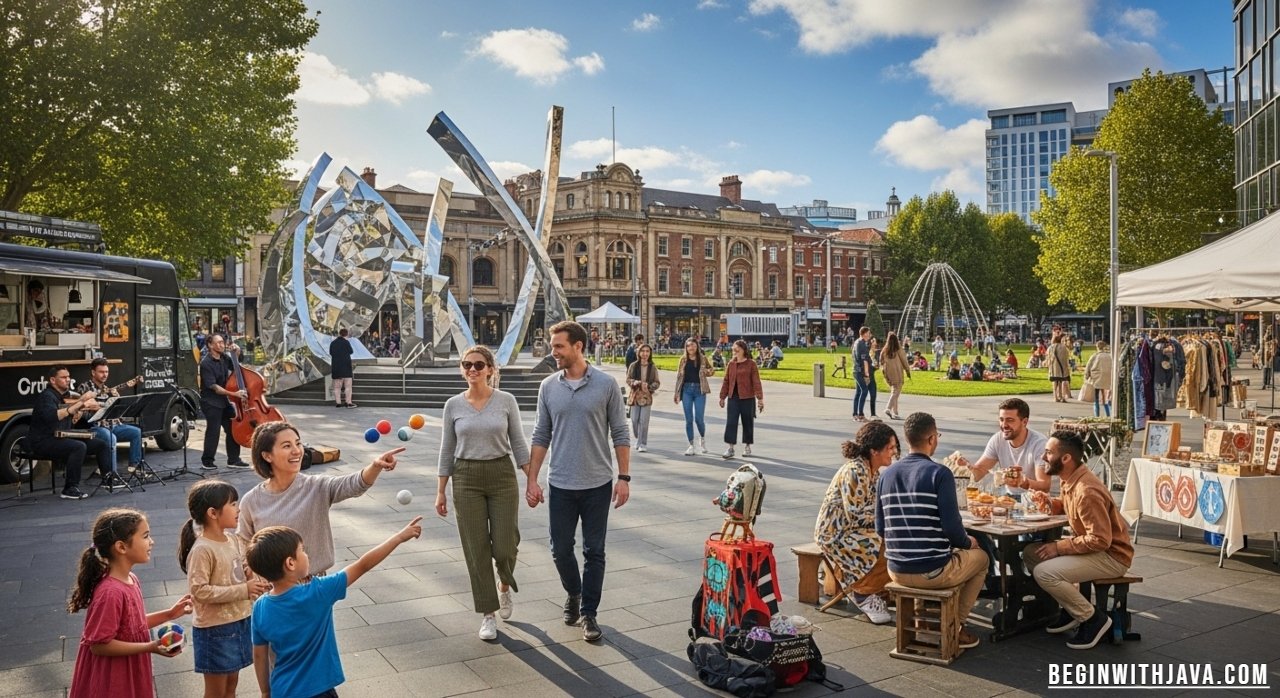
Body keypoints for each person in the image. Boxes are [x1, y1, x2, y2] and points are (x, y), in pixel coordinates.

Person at [525, 320, 630, 643]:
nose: (552, 351)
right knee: (559, 549)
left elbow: (620, 432)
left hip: (598, 483)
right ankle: (574, 592)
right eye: (552, 345)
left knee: (594, 551)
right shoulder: (549, 387)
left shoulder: (606, 384)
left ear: (578, 347)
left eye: (558, 346)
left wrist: (624, 477)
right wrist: (532, 479)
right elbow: (541, 434)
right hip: (561, 483)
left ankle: (589, 612)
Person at [248, 517, 422, 698]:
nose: (307, 555)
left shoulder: (260, 607)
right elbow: (362, 565)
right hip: (319, 691)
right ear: (290, 563)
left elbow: (260, 655)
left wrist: (265, 691)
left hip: (282, 690)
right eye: (303, 551)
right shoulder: (319, 591)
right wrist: (398, 538)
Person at [435, 346, 531, 641]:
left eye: (478, 365)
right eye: (467, 365)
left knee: (505, 544)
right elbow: (446, 449)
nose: (472, 370)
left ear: (490, 369)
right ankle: (488, 614)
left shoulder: (506, 401)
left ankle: (504, 585)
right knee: (476, 549)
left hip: (501, 474)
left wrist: (534, 480)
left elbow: (518, 442)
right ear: (462, 369)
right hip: (465, 479)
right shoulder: (452, 405)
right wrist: (441, 491)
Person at [875, 412, 988, 651]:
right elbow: (952, 529)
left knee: (923, 551)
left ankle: (924, 621)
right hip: (933, 571)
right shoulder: (940, 473)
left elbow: (880, 528)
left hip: (895, 569)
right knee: (982, 559)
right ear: (932, 439)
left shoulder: (886, 476)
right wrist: (969, 543)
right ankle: (956, 626)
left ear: (906, 440)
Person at [237, 422, 404, 577]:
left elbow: (354, 484)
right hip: (271, 592)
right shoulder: (251, 500)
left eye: (298, 443)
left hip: (314, 587)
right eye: (287, 446)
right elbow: (243, 543)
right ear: (267, 456)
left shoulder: (316, 486)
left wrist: (375, 466)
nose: (297, 451)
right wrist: (250, 574)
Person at [1023, 431, 1133, 650]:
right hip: (1098, 550)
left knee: (1045, 572)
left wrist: (1059, 547)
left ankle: (1093, 619)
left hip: (1112, 557)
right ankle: (1071, 609)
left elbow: (1100, 540)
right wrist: (1050, 504)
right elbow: (1068, 507)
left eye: (1048, 453)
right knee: (1031, 553)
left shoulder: (1086, 490)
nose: (1043, 458)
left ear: (1065, 459)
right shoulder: (1071, 479)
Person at [67, 508, 194, 698]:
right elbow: (99, 645)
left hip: (129, 670)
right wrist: (150, 646)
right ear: (121, 547)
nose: (152, 541)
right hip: (112, 679)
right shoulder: (110, 592)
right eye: (145, 536)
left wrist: (169, 614)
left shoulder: (131, 579)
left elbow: (130, 626)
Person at [179, 481, 269, 698]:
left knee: (231, 687)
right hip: (215, 629)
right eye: (233, 504)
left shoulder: (233, 539)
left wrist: (252, 576)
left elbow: (240, 572)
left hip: (239, 621)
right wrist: (243, 590)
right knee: (216, 692)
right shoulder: (202, 549)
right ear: (213, 513)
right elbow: (199, 591)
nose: (238, 509)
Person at [814, 421, 900, 624]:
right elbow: (857, 515)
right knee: (885, 544)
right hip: (836, 534)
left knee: (894, 539)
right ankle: (862, 592)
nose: (894, 453)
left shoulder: (872, 471)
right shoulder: (855, 471)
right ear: (874, 450)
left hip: (852, 528)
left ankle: (874, 590)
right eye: (890, 448)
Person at [28, 364, 113, 500]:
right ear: (53, 380)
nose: (67, 380)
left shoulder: (67, 396)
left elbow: (69, 420)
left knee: (101, 444)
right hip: (43, 440)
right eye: (63, 377)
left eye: (68, 377)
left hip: (61, 436)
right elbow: (53, 416)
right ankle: (70, 488)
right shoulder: (47, 397)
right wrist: (80, 402)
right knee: (78, 447)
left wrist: (80, 412)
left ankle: (108, 479)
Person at [958, 398, 1053, 495]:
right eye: (1001, 419)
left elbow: (1045, 486)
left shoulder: (1039, 444)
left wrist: (1022, 482)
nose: (1004, 425)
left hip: (1034, 501)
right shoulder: (998, 439)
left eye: (1010, 420)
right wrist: (966, 466)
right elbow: (979, 473)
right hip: (1007, 498)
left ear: (1024, 422)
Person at [79, 358, 148, 479]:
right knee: (111, 437)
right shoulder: (84, 388)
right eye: (101, 372)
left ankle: (135, 467)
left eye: (106, 371)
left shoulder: (108, 389)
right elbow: (81, 412)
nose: (104, 374)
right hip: (93, 427)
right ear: (93, 373)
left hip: (110, 425)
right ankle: (111, 473)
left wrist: (117, 401)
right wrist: (97, 408)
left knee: (136, 432)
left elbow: (115, 411)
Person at [199, 334, 251, 470]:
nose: (222, 345)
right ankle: (207, 461)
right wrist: (234, 394)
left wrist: (237, 353)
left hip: (224, 401)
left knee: (233, 428)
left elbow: (237, 368)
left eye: (223, 342)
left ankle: (233, 460)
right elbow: (215, 387)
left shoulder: (224, 358)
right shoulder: (206, 363)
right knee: (213, 430)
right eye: (219, 343)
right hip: (210, 401)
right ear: (210, 345)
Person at [719, 339, 764, 459]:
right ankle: (730, 448)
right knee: (731, 422)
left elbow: (756, 382)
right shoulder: (731, 364)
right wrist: (722, 397)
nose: (734, 351)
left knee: (747, 422)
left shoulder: (751, 364)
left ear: (743, 350)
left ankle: (747, 446)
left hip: (747, 397)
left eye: (736, 349)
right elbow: (726, 381)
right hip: (733, 397)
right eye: (733, 350)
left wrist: (760, 398)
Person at [674, 337, 715, 455]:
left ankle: (702, 439)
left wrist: (706, 372)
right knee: (688, 419)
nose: (691, 348)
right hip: (686, 389)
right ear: (686, 348)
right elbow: (679, 377)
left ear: (697, 346)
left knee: (699, 419)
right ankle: (691, 445)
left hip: (699, 390)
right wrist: (676, 393)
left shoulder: (702, 358)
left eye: (693, 345)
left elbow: (711, 370)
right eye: (688, 346)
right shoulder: (683, 360)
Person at [626, 343, 660, 453]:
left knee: (644, 421)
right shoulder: (633, 366)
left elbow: (657, 382)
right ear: (639, 353)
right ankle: (638, 437)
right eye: (643, 351)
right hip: (635, 396)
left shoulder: (652, 367)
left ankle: (643, 443)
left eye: (647, 351)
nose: (645, 354)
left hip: (646, 397)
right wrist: (635, 382)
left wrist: (649, 387)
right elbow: (628, 379)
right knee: (634, 420)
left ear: (650, 354)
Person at [880, 331, 911, 421]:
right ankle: (888, 408)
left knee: (894, 391)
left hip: (888, 372)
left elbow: (880, 361)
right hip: (897, 371)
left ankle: (895, 413)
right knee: (896, 391)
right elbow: (904, 360)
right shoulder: (899, 349)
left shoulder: (884, 350)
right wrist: (908, 370)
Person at [329, 327, 356, 408]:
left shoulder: (333, 343)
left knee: (337, 387)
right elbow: (351, 351)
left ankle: (338, 403)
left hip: (336, 368)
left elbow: (331, 353)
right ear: (346, 334)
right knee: (348, 387)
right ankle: (348, 402)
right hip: (346, 368)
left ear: (339, 334)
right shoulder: (346, 342)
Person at [1084, 341, 1113, 417]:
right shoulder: (1109, 356)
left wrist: (1087, 376)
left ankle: (1097, 415)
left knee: (1096, 397)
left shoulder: (1095, 356)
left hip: (1096, 378)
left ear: (1097, 347)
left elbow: (1088, 366)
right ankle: (1108, 414)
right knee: (1105, 397)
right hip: (1107, 378)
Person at [852, 327, 875, 421]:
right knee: (864, 391)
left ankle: (855, 414)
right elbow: (864, 360)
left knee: (858, 392)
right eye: (868, 333)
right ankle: (860, 414)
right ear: (864, 333)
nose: (869, 335)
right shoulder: (862, 344)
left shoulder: (857, 342)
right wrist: (866, 373)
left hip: (856, 370)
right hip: (860, 371)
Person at [1049, 333, 1072, 402]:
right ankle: (1062, 396)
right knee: (1061, 382)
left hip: (1054, 367)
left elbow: (1049, 357)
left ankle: (1055, 397)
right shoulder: (1064, 347)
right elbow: (1066, 357)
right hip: (1062, 367)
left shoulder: (1051, 347)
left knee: (1055, 382)